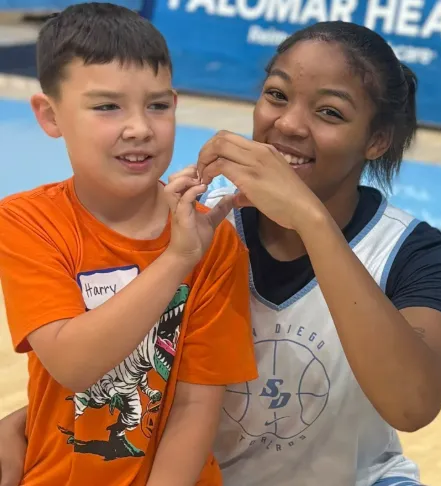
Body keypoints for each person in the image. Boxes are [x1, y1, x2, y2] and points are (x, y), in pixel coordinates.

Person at [0, 19, 441, 486]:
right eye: (277, 95)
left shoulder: (414, 250)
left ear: (377, 139)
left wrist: (311, 220)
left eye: (329, 112)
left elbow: (412, 406)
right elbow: (115, 373)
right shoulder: (197, 223)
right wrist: (27, 424)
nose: (288, 123)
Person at [0, 3, 258, 486]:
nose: (139, 127)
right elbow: (73, 363)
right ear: (50, 115)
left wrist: (190, 250)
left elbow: (196, 406)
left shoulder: (214, 241)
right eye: (107, 106)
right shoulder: (27, 221)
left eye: (157, 106)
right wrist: (177, 258)